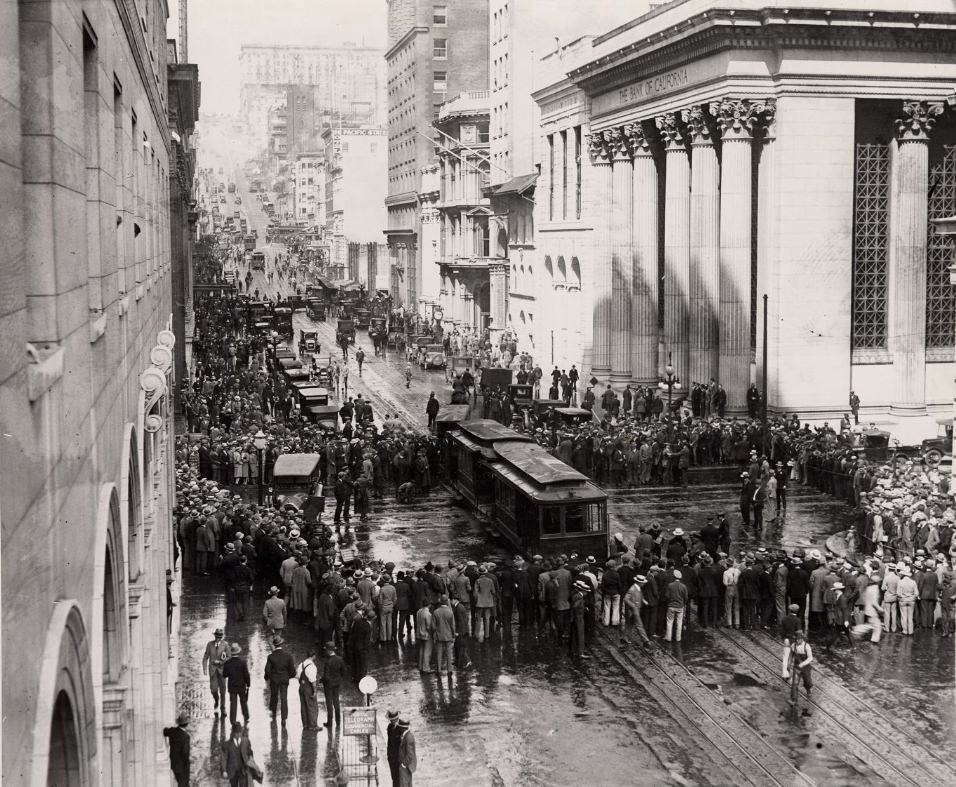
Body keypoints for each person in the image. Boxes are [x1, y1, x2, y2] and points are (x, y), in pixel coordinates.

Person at [263, 635, 296, 726]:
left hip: (274, 680)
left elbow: (267, 670)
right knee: (284, 698)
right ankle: (284, 718)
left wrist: (269, 677)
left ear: (274, 645)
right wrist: (287, 676)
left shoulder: (271, 657)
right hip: (284, 680)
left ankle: (273, 713)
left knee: (274, 696)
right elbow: (293, 671)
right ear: (282, 644)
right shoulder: (288, 656)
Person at [202, 627, 229, 717]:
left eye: (219, 636)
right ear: (215, 636)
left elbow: (229, 657)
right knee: (213, 690)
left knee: (223, 691)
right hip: (213, 671)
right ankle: (216, 700)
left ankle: (223, 708)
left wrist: (221, 662)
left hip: (222, 671)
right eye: (217, 636)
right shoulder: (209, 645)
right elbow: (205, 657)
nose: (218, 638)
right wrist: (205, 668)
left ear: (221, 637)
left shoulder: (225, 645)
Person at [220, 721, 257, 787]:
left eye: (240, 732)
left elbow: (250, 753)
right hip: (232, 771)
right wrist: (224, 770)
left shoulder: (246, 741)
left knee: (244, 785)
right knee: (234, 785)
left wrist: (251, 764)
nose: (238, 734)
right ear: (233, 733)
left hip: (243, 770)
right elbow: (224, 758)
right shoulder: (227, 744)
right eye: (236, 733)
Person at [222, 642, 251, 726]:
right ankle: (246, 716)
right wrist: (248, 684)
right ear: (238, 652)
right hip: (241, 686)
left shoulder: (228, 663)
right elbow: (246, 675)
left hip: (232, 687)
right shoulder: (243, 662)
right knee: (243, 702)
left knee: (233, 704)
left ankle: (233, 720)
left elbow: (224, 675)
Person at [321, 641, 346, 729]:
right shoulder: (340, 659)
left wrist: (322, 680)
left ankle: (330, 722)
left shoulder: (328, 661)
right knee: (336, 701)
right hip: (337, 683)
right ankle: (338, 721)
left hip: (328, 685)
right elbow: (343, 672)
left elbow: (326, 676)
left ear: (328, 650)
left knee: (329, 703)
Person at [163, 712, 191, 787]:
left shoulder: (172, 731)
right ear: (187, 724)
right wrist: (187, 764)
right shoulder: (186, 736)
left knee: (181, 782)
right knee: (183, 784)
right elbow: (185, 753)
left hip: (174, 764)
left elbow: (165, 731)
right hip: (183, 766)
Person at [432, 595, 456, 674]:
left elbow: (433, 626)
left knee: (439, 653)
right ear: (446, 602)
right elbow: (453, 626)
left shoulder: (436, 612)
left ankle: (438, 670)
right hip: (448, 635)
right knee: (449, 653)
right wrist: (453, 636)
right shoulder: (450, 612)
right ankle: (450, 670)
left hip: (439, 636)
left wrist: (435, 633)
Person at [297, 645, 320, 730]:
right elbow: (313, 681)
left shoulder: (301, 664)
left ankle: (305, 724)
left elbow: (297, 676)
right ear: (313, 656)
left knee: (303, 706)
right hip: (308, 688)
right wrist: (315, 691)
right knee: (312, 706)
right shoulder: (312, 666)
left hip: (301, 687)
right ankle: (313, 725)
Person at [664, 570, 689, 642]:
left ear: (674, 576)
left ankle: (668, 637)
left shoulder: (670, 585)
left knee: (669, 622)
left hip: (671, 606)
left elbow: (667, 596)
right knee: (679, 622)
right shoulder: (683, 586)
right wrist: (683, 603)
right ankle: (678, 638)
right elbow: (686, 597)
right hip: (680, 606)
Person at [790, 631, 814, 700]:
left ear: (802, 639)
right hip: (797, 666)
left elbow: (810, 658)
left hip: (806, 667)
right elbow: (791, 655)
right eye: (796, 639)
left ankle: (808, 690)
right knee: (794, 683)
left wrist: (802, 664)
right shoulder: (793, 645)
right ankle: (793, 699)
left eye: (799, 639)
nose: (797, 640)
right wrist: (790, 664)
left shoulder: (807, 646)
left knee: (808, 681)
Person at [398, 717, 418, 787]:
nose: (398, 728)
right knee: (407, 783)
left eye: (399, 727)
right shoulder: (406, 735)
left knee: (404, 784)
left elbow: (410, 754)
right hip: (407, 766)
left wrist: (404, 765)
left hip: (406, 766)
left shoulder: (408, 737)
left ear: (402, 728)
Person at [386, 709, 403, 787]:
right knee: (394, 778)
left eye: (394, 720)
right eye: (391, 720)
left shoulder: (402, 728)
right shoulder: (389, 727)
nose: (392, 722)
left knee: (399, 779)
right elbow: (390, 742)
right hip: (391, 758)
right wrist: (389, 756)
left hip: (399, 758)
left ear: (397, 718)